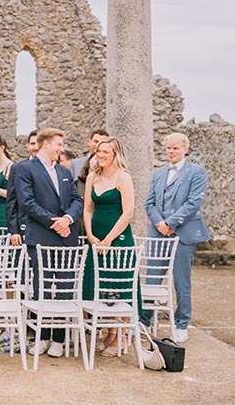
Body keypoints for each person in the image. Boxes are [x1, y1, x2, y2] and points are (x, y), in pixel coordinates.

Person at [14, 128, 83, 358]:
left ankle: (59, 340)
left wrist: (67, 219)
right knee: (41, 288)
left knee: (64, 288)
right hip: (42, 236)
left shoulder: (64, 172)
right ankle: (42, 337)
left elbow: (76, 200)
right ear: (46, 145)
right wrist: (54, 222)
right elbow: (26, 202)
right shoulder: (25, 169)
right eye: (59, 144)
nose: (61, 149)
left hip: (66, 236)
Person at [144, 132, 209, 344]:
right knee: (152, 278)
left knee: (181, 281)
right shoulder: (159, 173)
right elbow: (150, 203)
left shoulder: (197, 172)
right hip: (158, 233)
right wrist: (160, 224)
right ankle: (145, 321)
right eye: (169, 148)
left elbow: (193, 203)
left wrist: (171, 224)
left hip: (182, 234)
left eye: (176, 148)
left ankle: (181, 324)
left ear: (185, 150)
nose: (171, 152)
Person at [81, 137, 136, 354]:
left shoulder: (124, 177)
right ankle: (109, 333)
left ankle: (120, 336)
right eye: (99, 151)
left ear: (115, 154)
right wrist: (91, 235)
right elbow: (87, 208)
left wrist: (109, 239)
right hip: (96, 237)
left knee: (118, 285)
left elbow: (128, 212)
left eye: (106, 152)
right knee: (102, 286)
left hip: (118, 238)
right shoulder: (93, 176)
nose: (101, 155)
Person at [6, 130, 38, 246]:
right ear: (28, 145)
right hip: (22, 225)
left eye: (38, 143)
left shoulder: (53, 168)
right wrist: (14, 231)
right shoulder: (17, 168)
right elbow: (11, 201)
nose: (36, 147)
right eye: (33, 143)